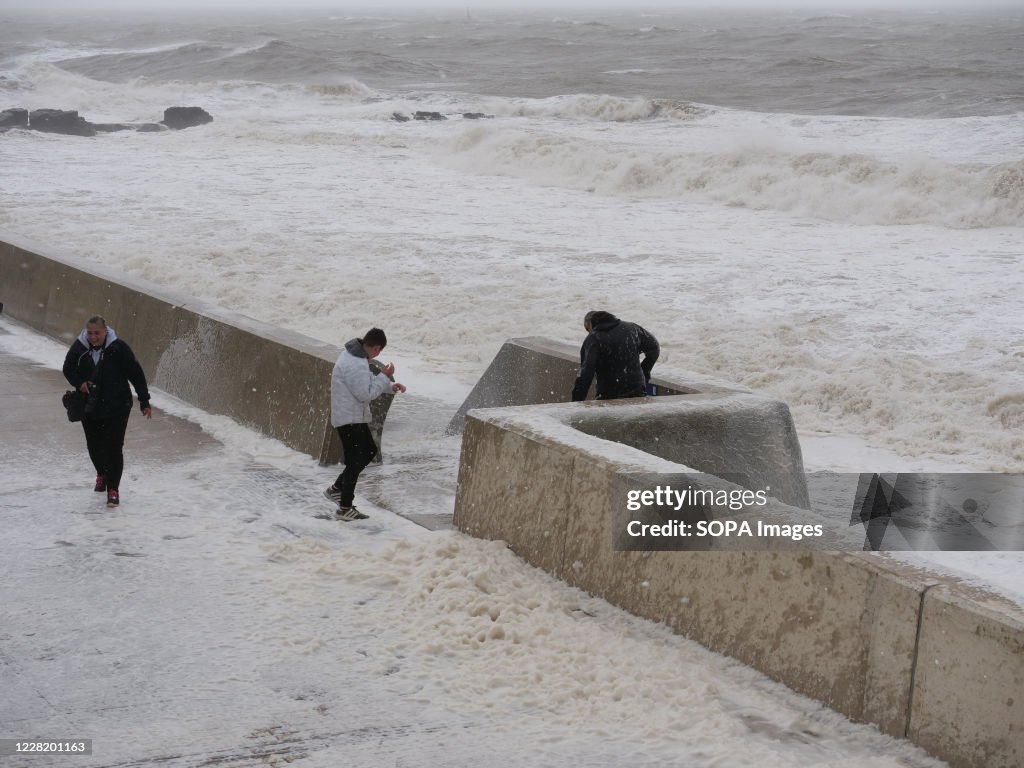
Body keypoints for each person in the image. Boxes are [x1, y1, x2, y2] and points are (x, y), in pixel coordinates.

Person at [62, 315, 152, 507]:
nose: (93, 337)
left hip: (117, 406)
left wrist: (144, 401)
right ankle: (101, 473)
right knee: (94, 446)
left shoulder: (119, 348)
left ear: (106, 331)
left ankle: (113, 490)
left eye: (97, 333)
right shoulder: (79, 348)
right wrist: (80, 383)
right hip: (90, 406)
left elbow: (136, 374)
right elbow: (67, 368)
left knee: (113, 447)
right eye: (90, 333)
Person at [323, 328, 406, 521]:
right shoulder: (355, 363)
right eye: (380, 351)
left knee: (368, 451)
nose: (379, 354)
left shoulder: (357, 357)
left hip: (353, 416)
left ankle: (336, 489)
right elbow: (365, 394)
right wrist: (385, 376)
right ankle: (344, 507)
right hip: (349, 418)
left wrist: (391, 386)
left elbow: (367, 383)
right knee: (355, 459)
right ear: (376, 348)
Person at [571, 310, 660, 402]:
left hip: (609, 394)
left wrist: (576, 403)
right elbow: (654, 348)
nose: (588, 332)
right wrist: (644, 373)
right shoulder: (631, 328)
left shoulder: (593, 338)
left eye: (587, 329)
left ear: (590, 322)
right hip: (636, 389)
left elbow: (586, 373)